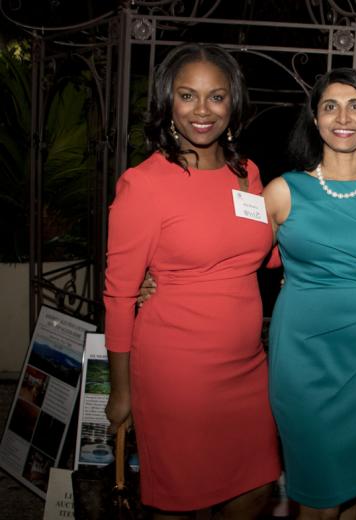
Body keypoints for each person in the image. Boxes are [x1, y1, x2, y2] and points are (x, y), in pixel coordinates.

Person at [104, 43, 280, 518]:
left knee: (258, 487)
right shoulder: (144, 184)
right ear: (168, 102)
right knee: (180, 502)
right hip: (177, 373)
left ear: (233, 103)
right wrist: (121, 393)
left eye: (216, 97)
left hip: (248, 367)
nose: (203, 110)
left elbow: (265, 253)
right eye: (188, 96)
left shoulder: (246, 173)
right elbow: (119, 296)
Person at [263, 68, 356, 519]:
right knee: (317, 499)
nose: (343, 118)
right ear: (315, 119)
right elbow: (234, 263)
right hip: (302, 360)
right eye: (330, 107)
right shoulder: (283, 190)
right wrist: (159, 280)